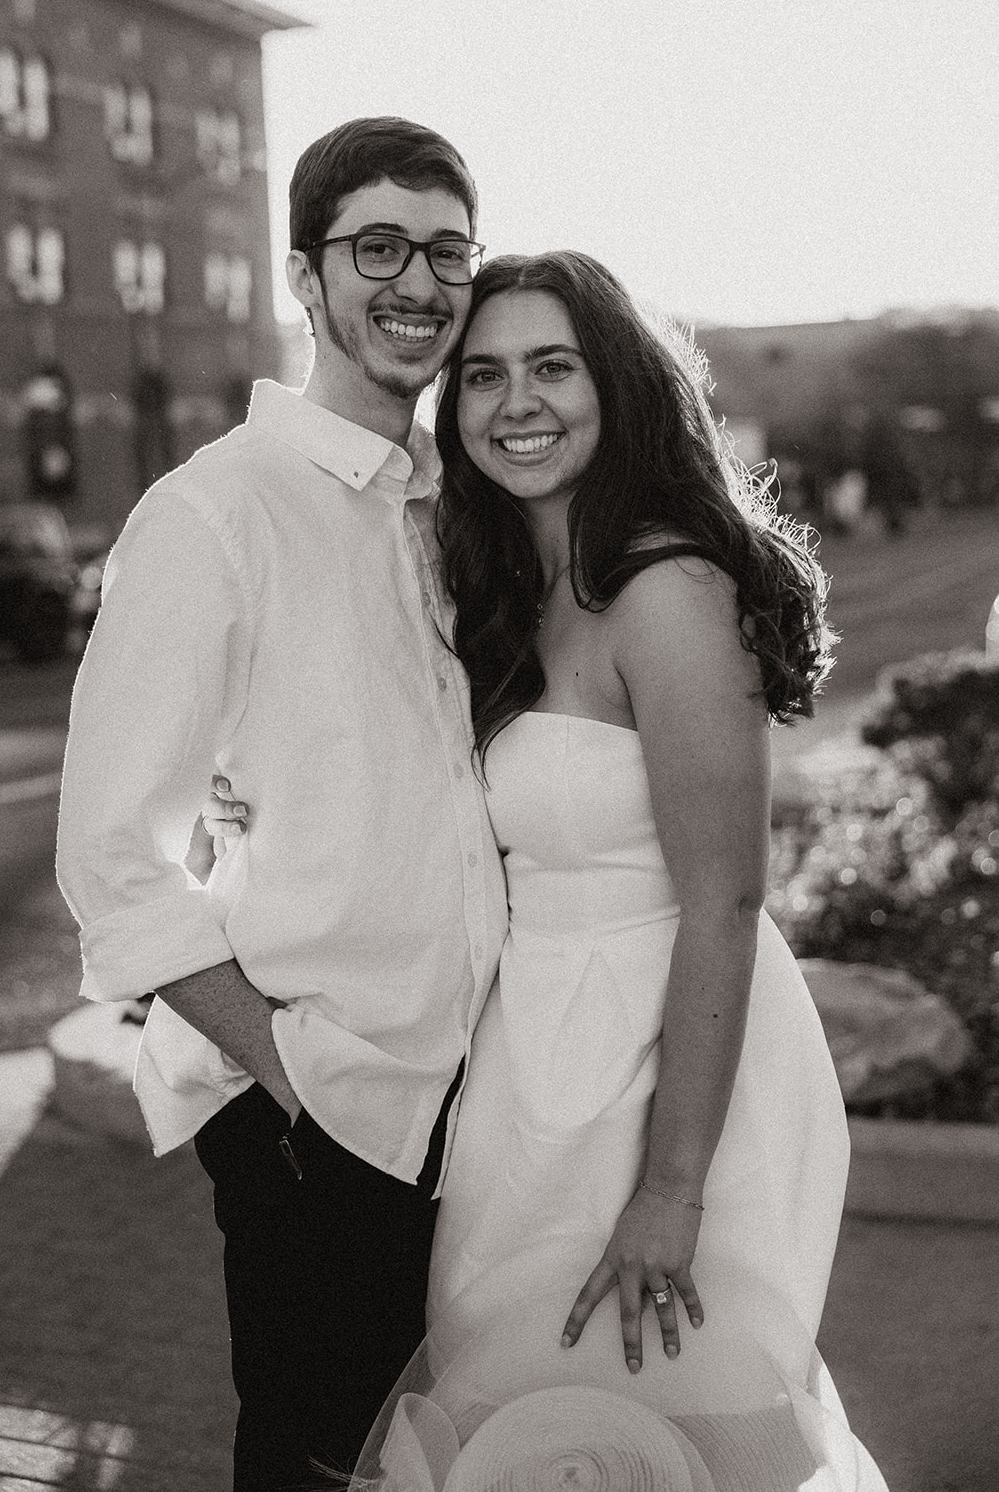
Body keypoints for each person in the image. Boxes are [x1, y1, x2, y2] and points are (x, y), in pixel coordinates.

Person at [213, 251, 889, 1489]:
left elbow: (726, 904)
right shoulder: (498, 588)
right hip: (531, 1057)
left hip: (672, 1059)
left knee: (671, 1417)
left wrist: (669, 1192)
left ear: (613, 386)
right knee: (522, 1412)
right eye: (482, 376)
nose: (515, 401)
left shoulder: (667, 585)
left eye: (550, 367)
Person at [55, 117, 508, 1492]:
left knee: (430, 1461)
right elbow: (113, 854)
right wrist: (292, 1074)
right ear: (303, 279)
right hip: (321, 1115)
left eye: (445, 252)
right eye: (377, 246)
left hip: (473, 1107)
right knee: (315, 1463)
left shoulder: (451, 515)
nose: (416, 283)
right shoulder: (216, 514)